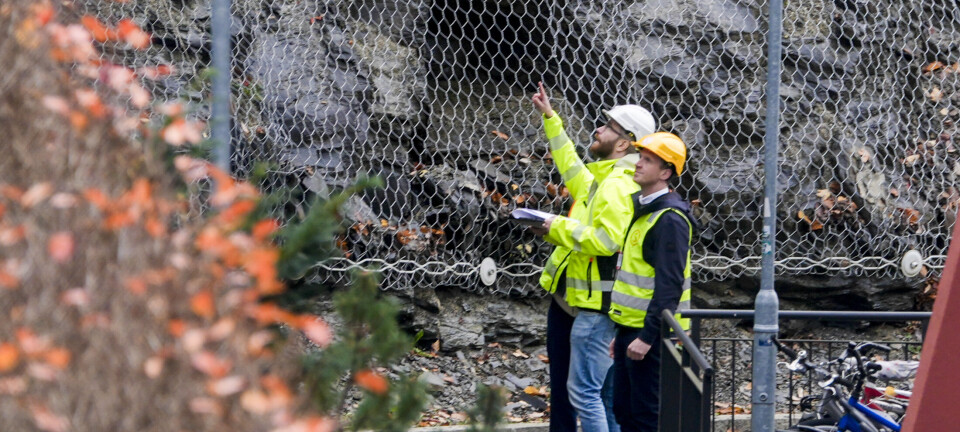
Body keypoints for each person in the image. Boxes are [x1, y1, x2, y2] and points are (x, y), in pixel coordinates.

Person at [530, 82, 656, 432]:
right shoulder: (607, 179)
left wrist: (554, 226)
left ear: (624, 141)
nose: (597, 129)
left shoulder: (617, 185)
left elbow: (605, 240)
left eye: (607, 126)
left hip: (593, 305)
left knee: (587, 394)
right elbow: (570, 167)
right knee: (602, 395)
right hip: (578, 299)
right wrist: (552, 119)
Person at [607, 132, 695, 432]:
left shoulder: (669, 219)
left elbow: (668, 287)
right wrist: (624, 334)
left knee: (648, 418)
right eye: (640, 157)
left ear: (666, 173)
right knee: (625, 411)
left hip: (655, 338)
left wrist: (646, 336)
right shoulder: (646, 212)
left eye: (648, 160)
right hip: (632, 332)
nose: (638, 164)